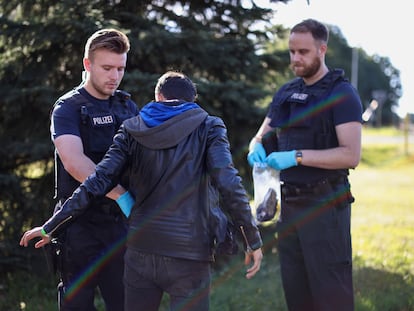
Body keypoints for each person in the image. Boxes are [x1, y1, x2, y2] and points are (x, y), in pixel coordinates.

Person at [21, 71, 264, 311]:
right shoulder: (209, 126)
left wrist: (51, 226)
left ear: (158, 97)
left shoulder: (131, 129)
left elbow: (97, 181)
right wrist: (252, 238)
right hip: (189, 254)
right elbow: (229, 182)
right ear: (193, 101)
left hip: (140, 253)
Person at [247, 19, 362, 311]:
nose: (295, 58)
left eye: (303, 52)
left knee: (331, 296)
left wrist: (296, 156)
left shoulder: (342, 94)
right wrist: (256, 147)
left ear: (322, 49)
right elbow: (260, 135)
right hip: (290, 207)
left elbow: (351, 155)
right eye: (291, 52)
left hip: (325, 205)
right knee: (297, 296)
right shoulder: (286, 93)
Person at [35, 28, 139, 310]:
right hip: (78, 228)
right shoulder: (67, 108)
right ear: (87, 65)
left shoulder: (127, 107)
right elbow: (75, 163)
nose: (115, 76)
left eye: (120, 68)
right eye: (107, 68)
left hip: (119, 228)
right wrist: (121, 195)